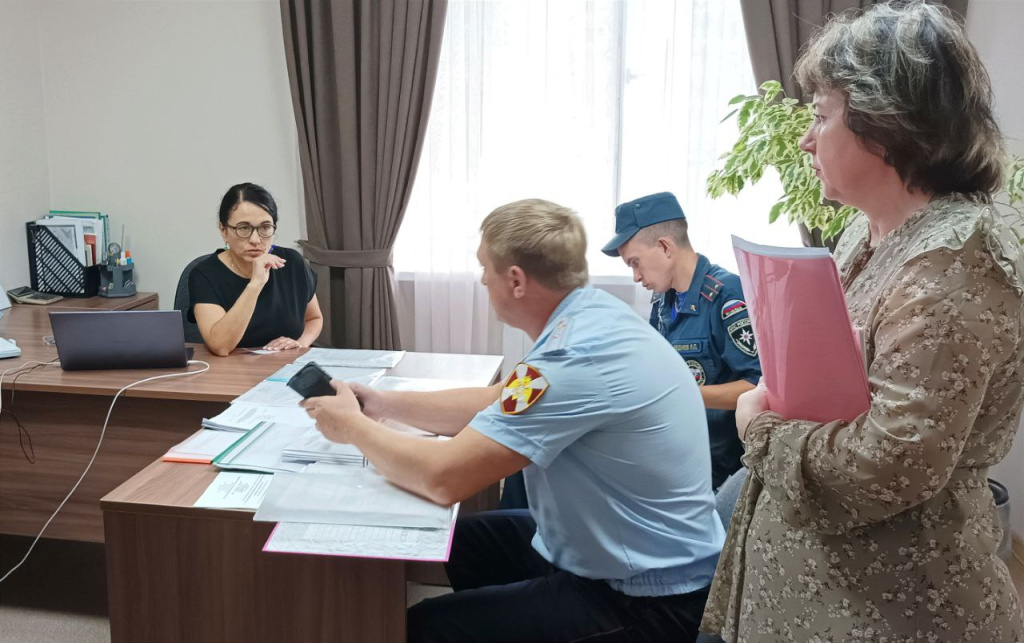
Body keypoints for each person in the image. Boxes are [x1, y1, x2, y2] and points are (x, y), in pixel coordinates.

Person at [700, 3, 1024, 641]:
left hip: (895, 610)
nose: (804, 138)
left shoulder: (956, 264)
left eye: (821, 116)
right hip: (823, 591)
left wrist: (759, 426)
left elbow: (890, 466)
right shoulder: (864, 233)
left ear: (886, 126)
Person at [303, 199, 725, 642]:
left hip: (648, 600)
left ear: (516, 280)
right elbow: (504, 400)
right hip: (627, 551)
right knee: (462, 545)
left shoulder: (572, 357)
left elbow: (443, 478)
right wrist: (383, 404)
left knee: (423, 628)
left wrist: (352, 428)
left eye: (485, 267)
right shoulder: (587, 317)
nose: (482, 279)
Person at [603, 192, 761, 490]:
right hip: (671, 445)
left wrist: (684, 393)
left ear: (664, 247)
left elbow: (758, 386)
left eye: (635, 263)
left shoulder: (726, 296)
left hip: (712, 465)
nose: (636, 276)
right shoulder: (664, 298)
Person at [188, 183, 323, 356]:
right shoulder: (204, 275)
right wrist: (255, 284)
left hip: (286, 367)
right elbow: (220, 346)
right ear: (224, 230)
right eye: (243, 228)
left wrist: (299, 344)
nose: (255, 239)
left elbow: (314, 319)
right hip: (231, 373)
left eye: (265, 227)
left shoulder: (292, 262)